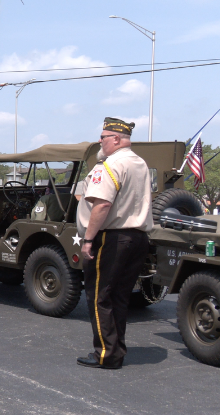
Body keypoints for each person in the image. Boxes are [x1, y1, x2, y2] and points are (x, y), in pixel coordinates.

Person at [76, 117, 153, 370]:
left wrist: (88, 239)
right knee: (119, 297)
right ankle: (116, 350)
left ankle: (106, 354)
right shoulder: (139, 163)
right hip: (137, 237)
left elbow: (103, 204)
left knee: (100, 297)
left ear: (116, 139)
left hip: (111, 237)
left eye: (104, 136)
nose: (100, 141)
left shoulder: (109, 164)